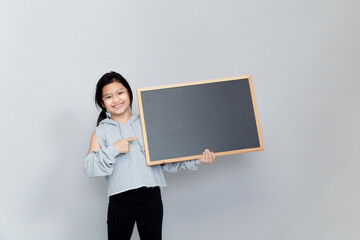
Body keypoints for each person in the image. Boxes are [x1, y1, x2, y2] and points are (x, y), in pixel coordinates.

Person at [84, 71, 216, 240]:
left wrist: (198, 159)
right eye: (108, 97)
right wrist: (114, 149)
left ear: (129, 93)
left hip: (150, 198)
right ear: (102, 103)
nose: (116, 100)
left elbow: (168, 161)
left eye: (120, 92)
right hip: (119, 201)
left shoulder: (149, 123)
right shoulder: (101, 131)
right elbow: (89, 167)